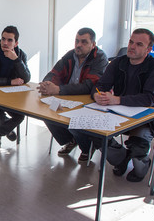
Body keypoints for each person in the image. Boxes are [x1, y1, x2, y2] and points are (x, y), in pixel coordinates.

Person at [70, 28, 154, 182]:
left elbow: (149, 98)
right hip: (118, 113)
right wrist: (97, 95)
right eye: (131, 42)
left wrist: (117, 99)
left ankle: (140, 162)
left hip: (147, 119)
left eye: (139, 44)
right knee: (94, 132)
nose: (132, 47)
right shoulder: (118, 62)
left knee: (138, 160)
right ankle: (122, 159)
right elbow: (100, 85)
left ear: (149, 49)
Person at [37, 27, 108, 160]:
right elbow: (54, 72)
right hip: (68, 97)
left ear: (93, 45)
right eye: (77, 41)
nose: (79, 45)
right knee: (47, 112)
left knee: (74, 120)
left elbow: (89, 85)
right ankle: (71, 140)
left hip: (88, 101)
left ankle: (87, 147)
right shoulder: (71, 55)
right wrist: (46, 84)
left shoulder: (100, 58)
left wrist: (58, 90)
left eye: (84, 42)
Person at [0, 26, 31, 148]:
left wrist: (16, 60)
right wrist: (10, 81)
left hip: (10, 96)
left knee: (20, 116)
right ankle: (5, 129)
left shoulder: (20, 55)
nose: (5, 43)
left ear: (16, 43)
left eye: (9, 40)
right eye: (3, 39)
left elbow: (27, 78)